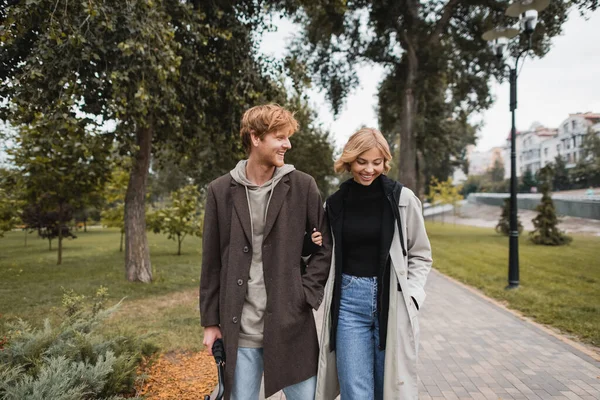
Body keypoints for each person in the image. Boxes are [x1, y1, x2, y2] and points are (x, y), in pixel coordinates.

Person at [199, 104, 332, 400]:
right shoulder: (220, 191)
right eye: (280, 137)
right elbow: (210, 262)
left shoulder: (302, 186)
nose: (288, 144)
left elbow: (325, 247)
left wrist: (306, 293)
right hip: (240, 328)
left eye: (287, 137)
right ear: (256, 138)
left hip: (290, 324)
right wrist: (210, 322)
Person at [312, 128, 432, 400]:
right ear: (349, 161)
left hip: (390, 302)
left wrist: (412, 295)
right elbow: (323, 253)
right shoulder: (335, 203)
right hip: (349, 305)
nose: (369, 169)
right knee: (355, 391)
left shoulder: (402, 199)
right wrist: (314, 242)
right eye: (362, 162)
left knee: (387, 389)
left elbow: (421, 254)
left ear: (385, 162)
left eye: (376, 162)